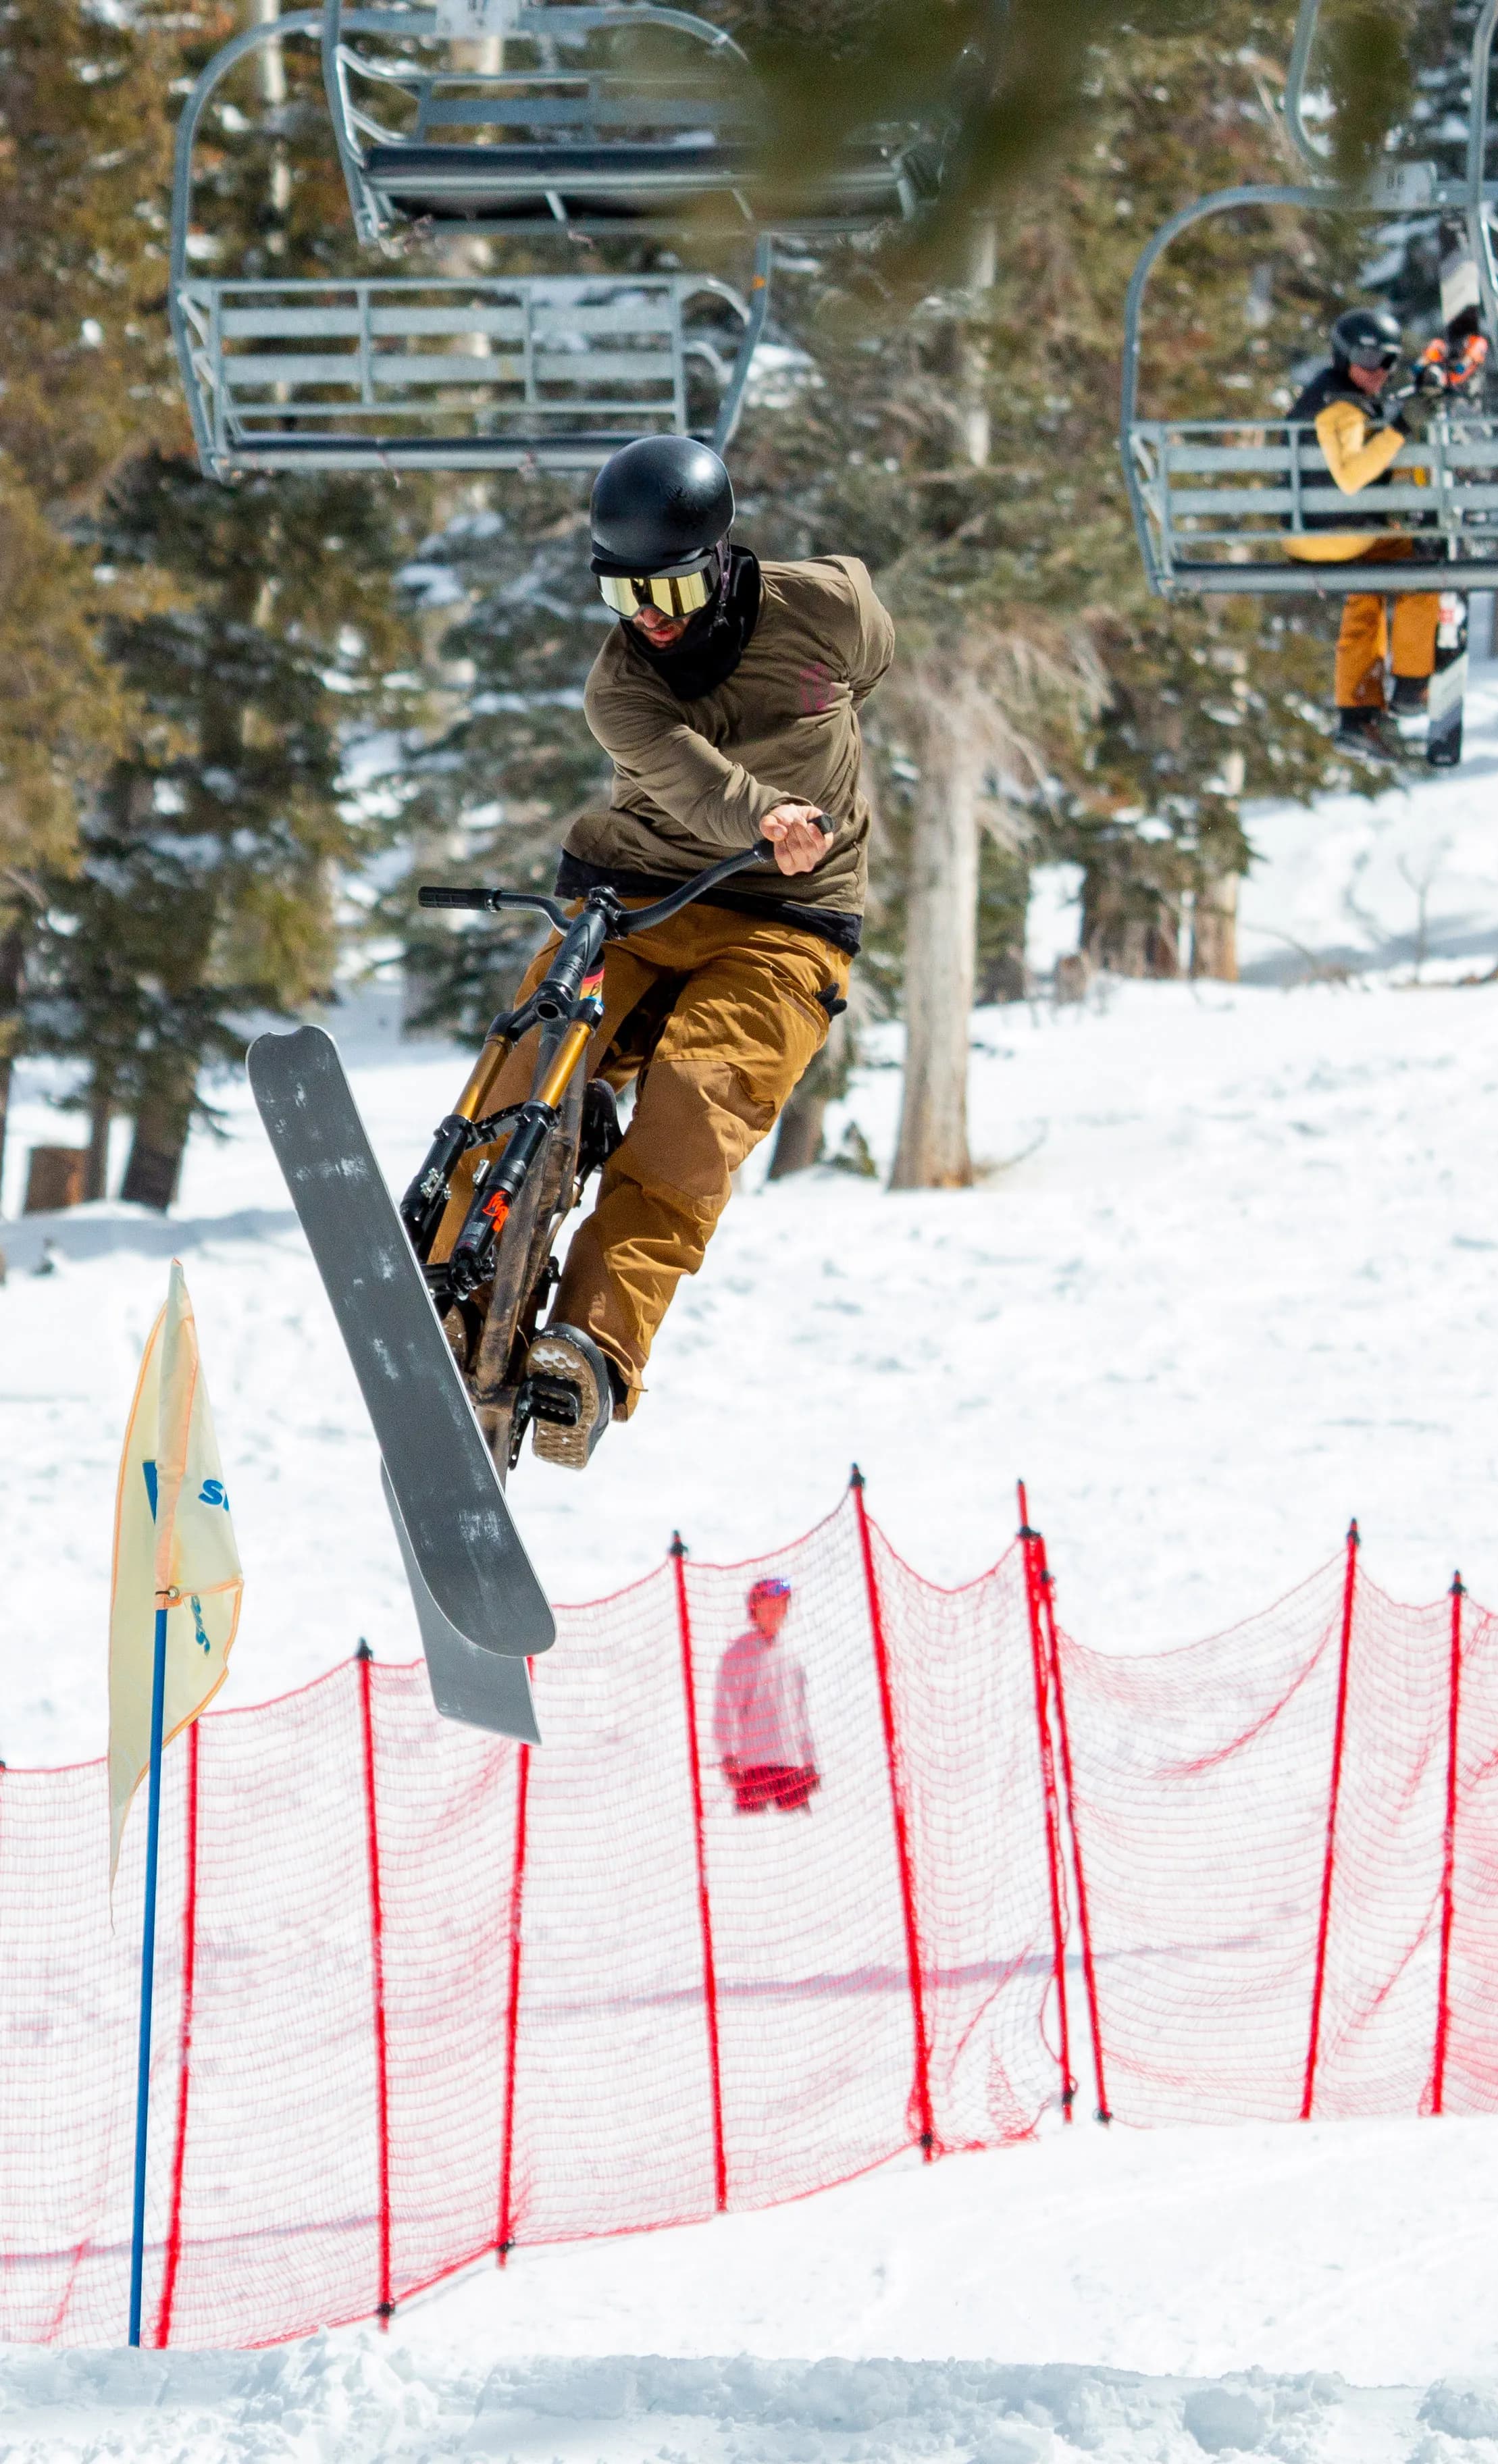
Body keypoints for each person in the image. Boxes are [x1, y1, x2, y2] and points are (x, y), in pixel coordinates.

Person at [437, 435, 894, 1466]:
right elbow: (693, 781)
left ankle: (590, 1350)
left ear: (721, 561)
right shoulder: (622, 691)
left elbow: (874, 658)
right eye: (622, 593)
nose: (649, 615)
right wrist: (767, 808)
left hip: (791, 918)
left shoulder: (830, 612)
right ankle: (456, 1289)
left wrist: (807, 803)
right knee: (528, 1070)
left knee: (693, 1110)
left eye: (670, 587)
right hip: (639, 888)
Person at [1283, 307, 1440, 758]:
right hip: (1334, 533)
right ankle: (1411, 685)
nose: (1378, 371)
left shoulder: (1332, 396)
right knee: (1422, 566)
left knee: (1367, 590)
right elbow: (1351, 477)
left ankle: (1357, 714)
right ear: (1343, 354)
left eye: (1388, 362)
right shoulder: (1340, 406)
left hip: (1311, 533)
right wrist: (1404, 427)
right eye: (1368, 358)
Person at [713, 1576, 819, 1814]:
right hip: (753, 1767)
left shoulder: (791, 1658)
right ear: (755, 1611)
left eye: (781, 1607)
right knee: (752, 1836)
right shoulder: (738, 1656)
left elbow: (800, 1715)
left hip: (790, 1765)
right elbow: (726, 1709)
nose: (776, 1613)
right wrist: (729, 1755)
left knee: (798, 1834)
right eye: (769, 1607)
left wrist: (809, 1761)